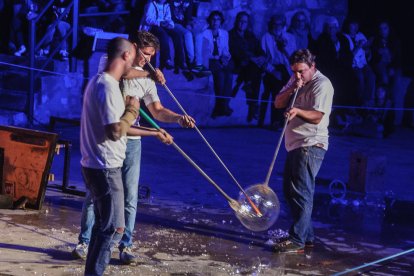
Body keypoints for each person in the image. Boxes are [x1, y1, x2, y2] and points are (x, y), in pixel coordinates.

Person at [73, 31, 195, 265]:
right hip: (108, 141)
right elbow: (126, 73)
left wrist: (179, 118)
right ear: (133, 49)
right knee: (96, 196)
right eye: (145, 54)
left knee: (129, 196)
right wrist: (149, 74)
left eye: (152, 57)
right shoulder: (113, 64)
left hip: (132, 141)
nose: (148, 60)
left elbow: (157, 110)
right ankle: (84, 241)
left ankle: (125, 244)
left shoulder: (146, 76)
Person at [80, 37, 138, 275]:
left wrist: (155, 133)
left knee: (104, 226)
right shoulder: (106, 86)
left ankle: (92, 272)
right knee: (112, 227)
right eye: (134, 58)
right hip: (104, 167)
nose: (135, 65)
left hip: (100, 165)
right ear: (126, 56)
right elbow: (115, 131)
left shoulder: (102, 82)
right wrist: (133, 110)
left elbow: (118, 126)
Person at [273, 49, 333, 253]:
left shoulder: (322, 84)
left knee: (301, 192)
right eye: (295, 71)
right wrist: (292, 88)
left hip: (311, 144)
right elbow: (278, 102)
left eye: (302, 71)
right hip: (295, 144)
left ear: (312, 67)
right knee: (290, 192)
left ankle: (297, 239)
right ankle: (307, 236)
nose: (298, 75)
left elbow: (318, 115)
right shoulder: (294, 80)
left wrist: (297, 111)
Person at [259, 13, 296, 129]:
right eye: (274, 24)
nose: (277, 27)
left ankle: (286, 121)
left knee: (290, 90)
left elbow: (292, 58)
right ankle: (275, 121)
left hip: (286, 69)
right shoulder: (266, 37)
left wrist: (283, 48)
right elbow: (262, 58)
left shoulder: (290, 38)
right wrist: (272, 70)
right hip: (272, 68)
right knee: (277, 89)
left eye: (279, 24)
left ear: (283, 25)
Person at [229, 11, 265, 122]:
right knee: (255, 70)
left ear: (248, 23)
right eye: (240, 21)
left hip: (252, 65)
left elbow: (259, 50)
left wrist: (261, 57)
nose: (242, 23)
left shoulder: (250, 35)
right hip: (239, 63)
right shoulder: (231, 34)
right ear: (236, 21)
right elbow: (234, 52)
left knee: (256, 71)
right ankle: (253, 106)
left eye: (244, 22)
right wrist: (251, 58)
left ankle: (250, 91)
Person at [201, 10, 233, 118]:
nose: (215, 22)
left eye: (218, 19)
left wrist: (226, 57)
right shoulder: (204, 33)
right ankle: (221, 107)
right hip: (210, 60)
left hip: (221, 59)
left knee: (229, 76)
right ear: (210, 21)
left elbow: (226, 50)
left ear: (221, 21)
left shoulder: (224, 33)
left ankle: (223, 106)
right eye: (213, 19)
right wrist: (218, 59)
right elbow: (205, 53)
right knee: (220, 76)